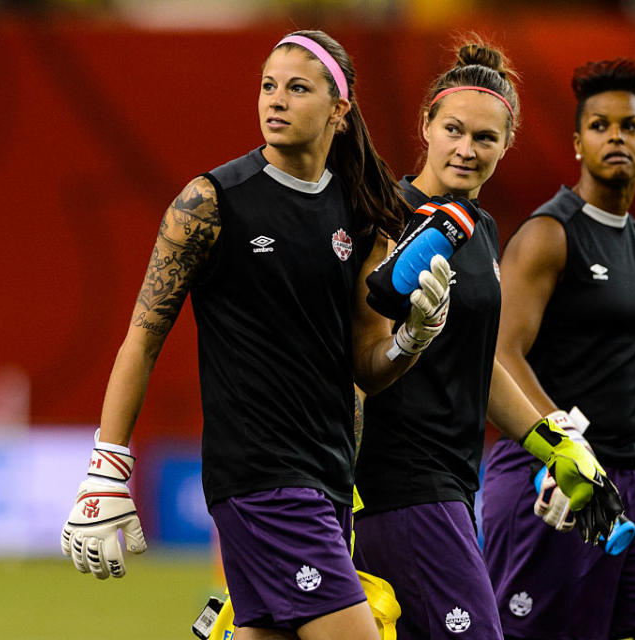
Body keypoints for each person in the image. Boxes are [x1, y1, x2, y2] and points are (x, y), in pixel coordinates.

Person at [61, 30, 454, 640]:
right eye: (269, 86)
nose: (276, 99)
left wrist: (413, 338)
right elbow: (141, 339)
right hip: (261, 478)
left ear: (339, 111)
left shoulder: (357, 210)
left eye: (298, 88)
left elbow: (364, 366)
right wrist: (107, 467)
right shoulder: (210, 203)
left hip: (328, 480)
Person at [352, 40, 620, 640]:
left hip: (449, 486)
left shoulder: (479, 228)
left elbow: (481, 363)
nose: (466, 150)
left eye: (485, 138)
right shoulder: (387, 217)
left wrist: (554, 445)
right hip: (399, 489)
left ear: (507, 144)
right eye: (453, 130)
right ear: (425, 126)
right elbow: (354, 359)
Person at [481, 58, 635, 640]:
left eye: (630, 127)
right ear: (577, 142)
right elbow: (499, 353)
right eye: (601, 126)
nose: (616, 136)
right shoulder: (548, 235)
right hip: (550, 477)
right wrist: (563, 446)